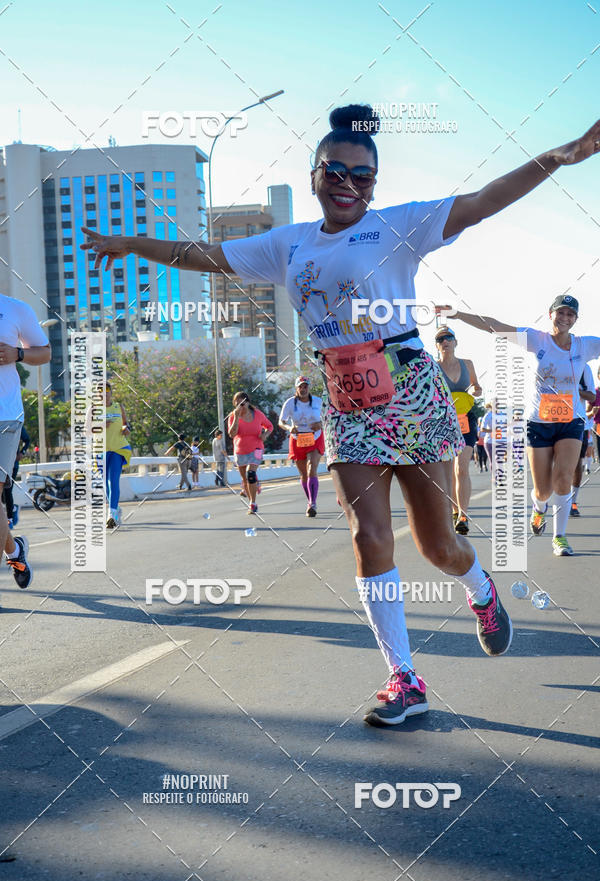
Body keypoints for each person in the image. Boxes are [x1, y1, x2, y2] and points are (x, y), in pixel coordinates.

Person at [81, 104, 600, 726]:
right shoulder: (288, 243)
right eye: (337, 172)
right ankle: (403, 678)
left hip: (408, 382)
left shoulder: (398, 226)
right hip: (345, 399)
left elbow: (486, 200)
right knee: (367, 537)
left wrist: (560, 155)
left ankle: (482, 591)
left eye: (363, 177)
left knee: (438, 546)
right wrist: (131, 245)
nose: (349, 186)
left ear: (375, 185)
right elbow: (206, 254)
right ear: (314, 174)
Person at [442, 295, 600, 556]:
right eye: (560, 313)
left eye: (570, 314)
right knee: (542, 489)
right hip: (539, 422)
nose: (565, 318)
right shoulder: (536, 339)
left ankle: (559, 537)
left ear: (575, 319)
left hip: (571, 421)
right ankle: (539, 509)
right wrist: (458, 314)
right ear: (550, 315)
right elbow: (493, 325)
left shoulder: (585, 345)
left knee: (563, 479)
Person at [0, 294, 51, 596]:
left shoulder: (15, 309)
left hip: (4, 416)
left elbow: (44, 352)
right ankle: (14, 549)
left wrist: (17, 353)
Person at [435, 326, 482, 534]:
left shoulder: (468, 364)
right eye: (441, 339)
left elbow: (476, 386)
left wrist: (476, 390)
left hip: (466, 418)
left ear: (455, 342)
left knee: (461, 467)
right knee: (450, 472)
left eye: (449, 337)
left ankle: (463, 514)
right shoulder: (433, 368)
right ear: (437, 345)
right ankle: (455, 512)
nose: (445, 341)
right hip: (443, 420)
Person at [279, 376, 324, 516]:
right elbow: (281, 421)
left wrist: (320, 424)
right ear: (296, 388)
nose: (303, 389)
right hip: (298, 438)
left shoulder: (318, 402)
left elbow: (329, 417)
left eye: (305, 386)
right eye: (300, 387)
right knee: (304, 474)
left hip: (314, 437)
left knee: (312, 468)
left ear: (308, 388)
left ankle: (313, 503)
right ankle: (309, 500)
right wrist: (288, 428)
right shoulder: (290, 403)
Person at [226, 392, 272, 514]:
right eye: (238, 402)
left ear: (248, 402)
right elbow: (232, 434)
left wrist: (265, 435)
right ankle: (252, 490)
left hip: (257, 448)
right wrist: (236, 416)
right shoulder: (232, 416)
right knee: (245, 479)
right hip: (240, 451)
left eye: (243, 402)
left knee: (250, 473)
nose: (241, 405)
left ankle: (253, 503)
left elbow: (270, 426)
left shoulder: (257, 414)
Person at [105, 382, 132, 528]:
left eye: (107, 390)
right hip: (100, 450)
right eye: (100, 391)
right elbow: (86, 430)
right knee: (105, 484)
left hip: (118, 447)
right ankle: (115, 508)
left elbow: (126, 424)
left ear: (111, 392)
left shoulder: (118, 407)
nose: (104, 393)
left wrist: (126, 429)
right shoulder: (93, 409)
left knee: (112, 481)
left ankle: (112, 514)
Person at [570, 364, 596, 516]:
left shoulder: (583, 368)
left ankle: (573, 502)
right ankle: (543, 501)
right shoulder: (549, 361)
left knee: (576, 464)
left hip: (577, 423)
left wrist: (576, 391)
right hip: (551, 422)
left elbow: (591, 396)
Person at [2, 424, 30, 530]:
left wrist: (22, 452)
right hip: (1, 463)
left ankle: (10, 519)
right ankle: (13, 508)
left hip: (13, 464)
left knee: (7, 491)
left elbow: (27, 440)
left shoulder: (15, 424)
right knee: (3, 496)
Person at [479, 399, 508, 486]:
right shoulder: (488, 415)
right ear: (491, 405)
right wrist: (493, 430)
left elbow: (506, 425)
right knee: (493, 461)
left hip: (500, 441)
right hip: (489, 441)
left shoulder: (502, 414)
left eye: (498, 403)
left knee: (499, 460)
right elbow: (482, 429)